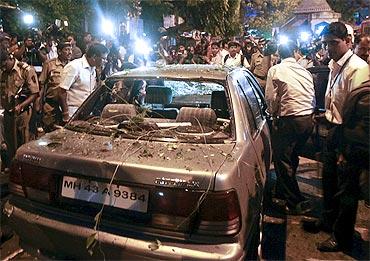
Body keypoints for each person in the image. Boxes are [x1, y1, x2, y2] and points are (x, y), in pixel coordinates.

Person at [301, 21, 369, 251]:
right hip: (332, 128)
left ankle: (342, 237)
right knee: (329, 182)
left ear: (348, 42)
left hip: (348, 134)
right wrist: (326, 115)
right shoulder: (333, 65)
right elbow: (338, 100)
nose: (329, 47)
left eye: (333, 43)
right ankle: (328, 222)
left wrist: (345, 145)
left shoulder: (358, 68)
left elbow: (358, 111)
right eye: (326, 43)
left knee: (346, 190)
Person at [265, 40, 316, 215]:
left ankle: (295, 201)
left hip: (290, 120)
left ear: (278, 54)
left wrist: (273, 115)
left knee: (281, 159)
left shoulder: (276, 70)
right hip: (308, 120)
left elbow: (270, 98)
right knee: (291, 156)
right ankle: (282, 190)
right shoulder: (304, 70)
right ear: (295, 52)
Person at [0, 50, 39, 168]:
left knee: (24, 145)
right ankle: (14, 172)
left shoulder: (26, 70)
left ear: (9, 59)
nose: (3, 68)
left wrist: (21, 106)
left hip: (23, 114)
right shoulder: (2, 72)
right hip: (8, 114)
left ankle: (25, 173)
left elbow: (35, 93)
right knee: (10, 145)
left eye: (3, 65)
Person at [59, 43, 108, 121]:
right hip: (72, 114)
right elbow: (62, 91)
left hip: (87, 114)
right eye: (104, 58)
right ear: (94, 57)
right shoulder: (74, 66)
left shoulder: (93, 69)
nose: (106, 61)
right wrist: (65, 114)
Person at [37, 41, 72, 132]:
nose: (70, 52)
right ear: (59, 52)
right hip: (51, 106)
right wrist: (38, 103)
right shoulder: (49, 64)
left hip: (67, 106)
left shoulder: (72, 65)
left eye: (70, 49)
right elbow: (41, 85)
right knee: (50, 133)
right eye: (67, 50)